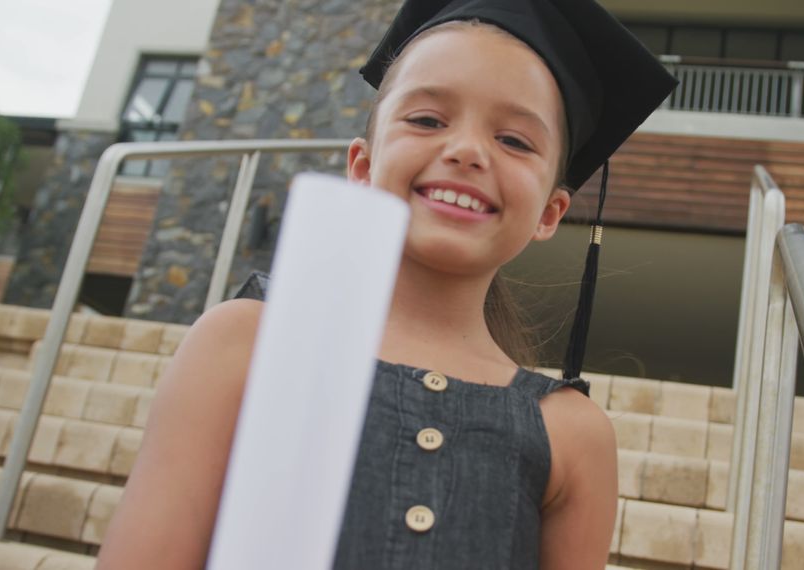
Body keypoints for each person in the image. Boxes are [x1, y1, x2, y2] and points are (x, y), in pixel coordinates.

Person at [97, 0, 675, 568]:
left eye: (515, 140)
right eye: (427, 120)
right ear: (363, 166)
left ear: (550, 212)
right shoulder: (247, 342)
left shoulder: (573, 436)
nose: (467, 151)